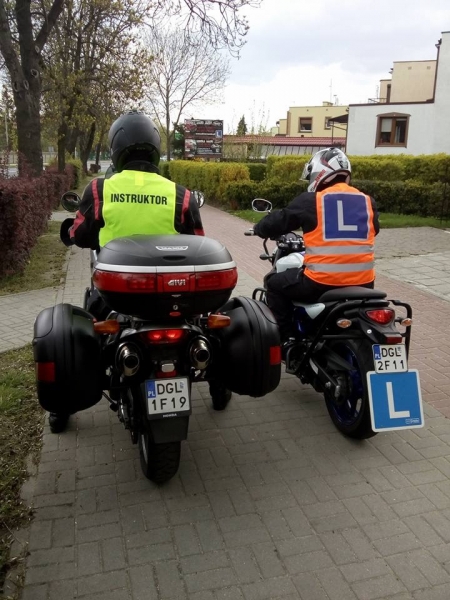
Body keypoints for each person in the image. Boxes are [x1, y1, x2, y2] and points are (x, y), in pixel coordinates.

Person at [52, 110, 228, 434]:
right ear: (155, 149)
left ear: (116, 149)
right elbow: (197, 242)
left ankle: (63, 405)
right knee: (207, 329)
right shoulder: (180, 194)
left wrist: (75, 234)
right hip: (175, 294)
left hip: (118, 295)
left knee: (83, 338)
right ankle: (219, 387)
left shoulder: (100, 190)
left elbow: (81, 234)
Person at [253, 147, 379, 356]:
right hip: (365, 283)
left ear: (319, 172)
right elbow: (375, 229)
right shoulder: (367, 201)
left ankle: (287, 342)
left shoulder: (312, 201)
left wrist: (260, 228)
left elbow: (279, 221)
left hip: (321, 283)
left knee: (273, 283)